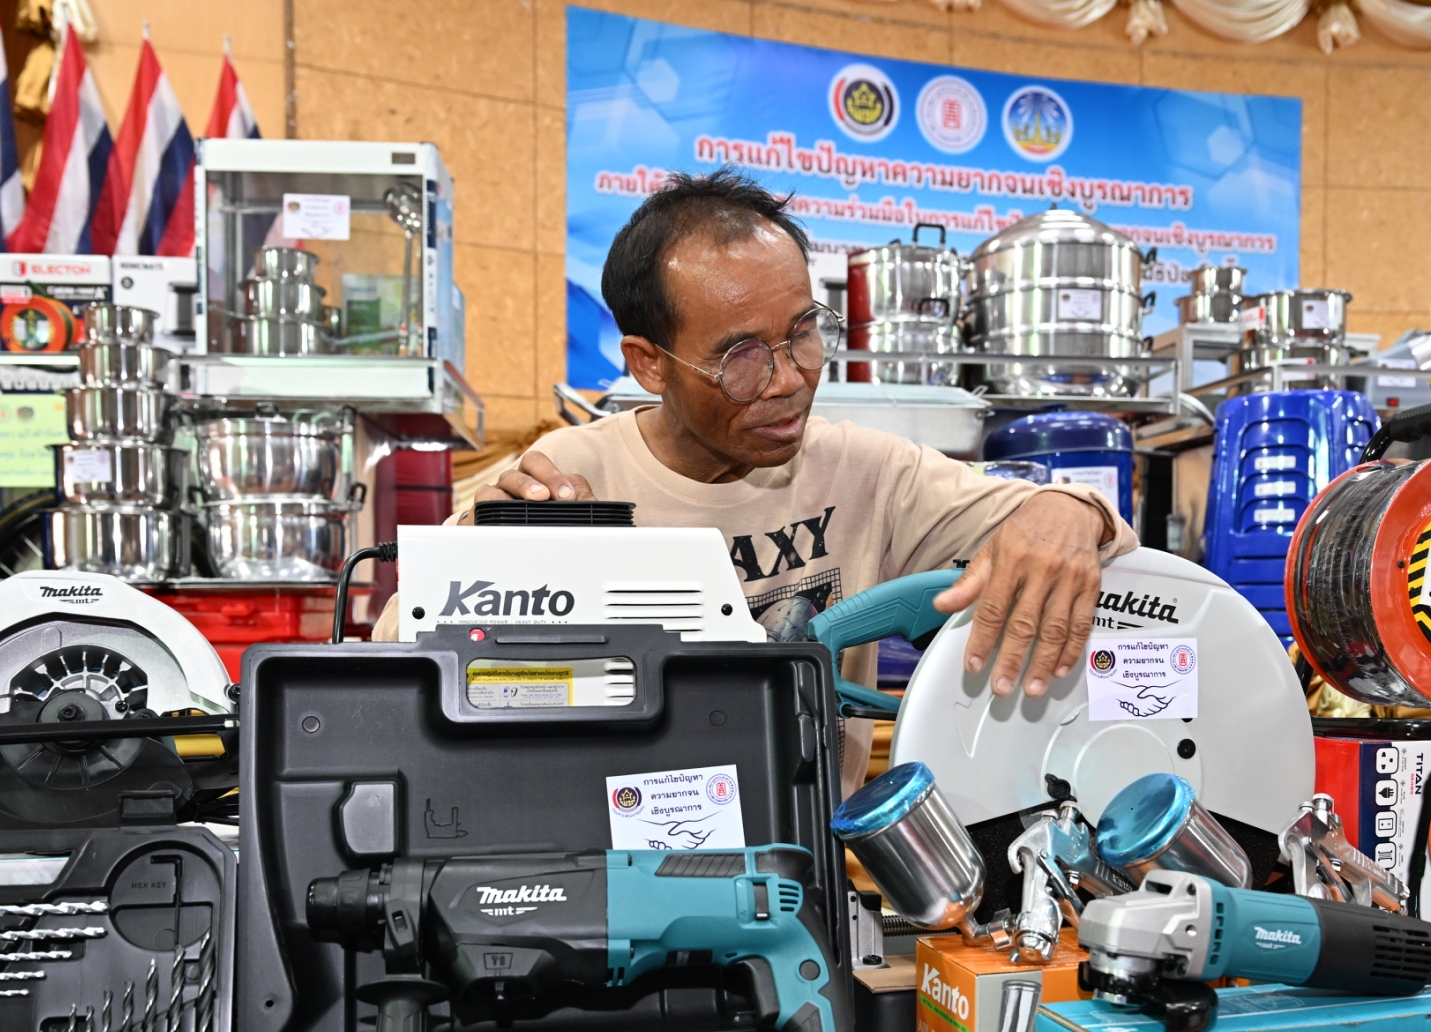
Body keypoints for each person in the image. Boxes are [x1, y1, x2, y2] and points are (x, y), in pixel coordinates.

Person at [373, 169, 1137, 789]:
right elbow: (391, 645)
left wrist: (1067, 511)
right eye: (741, 354)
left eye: (804, 332)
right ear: (648, 363)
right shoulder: (566, 483)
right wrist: (481, 562)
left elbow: (1096, 527)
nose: (789, 379)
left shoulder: (868, 472)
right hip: (610, 874)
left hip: (808, 872)